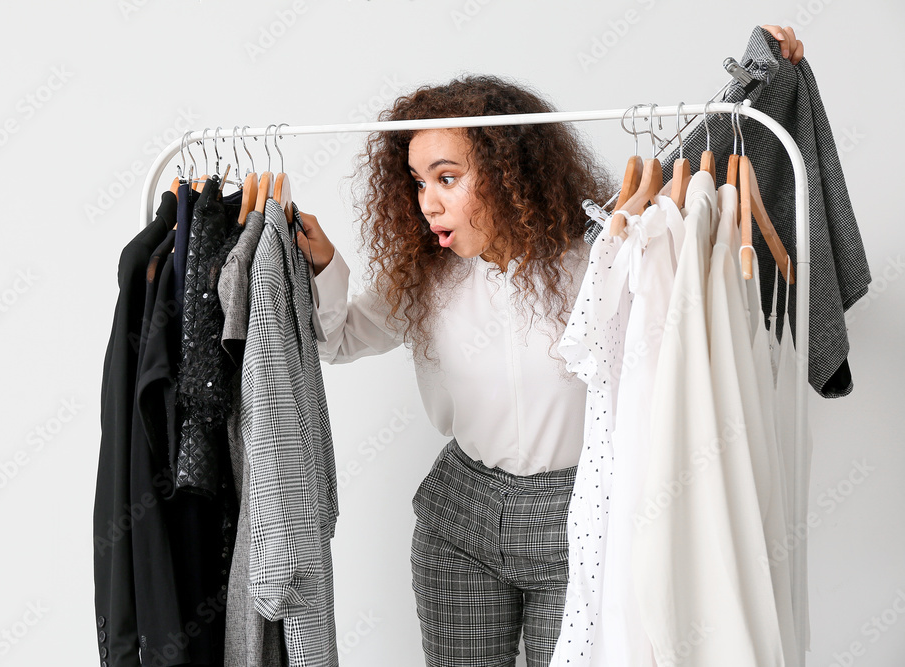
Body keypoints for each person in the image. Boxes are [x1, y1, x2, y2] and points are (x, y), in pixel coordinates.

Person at [292, 24, 804, 667]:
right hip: (462, 519)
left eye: (447, 178)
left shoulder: (606, 259)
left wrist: (767, 72)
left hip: (578, 519)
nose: (427, 202)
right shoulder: (425, 281)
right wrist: (323, 264)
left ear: (509, 173)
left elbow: (698, 146)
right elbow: (334, 341)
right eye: (419, 182)